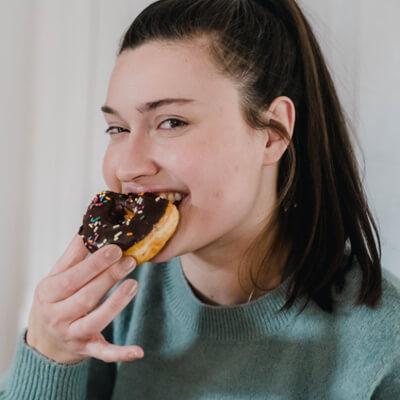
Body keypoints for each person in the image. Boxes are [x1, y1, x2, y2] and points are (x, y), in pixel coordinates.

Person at [1, 0, 399, 398]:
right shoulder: (103, 305)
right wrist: (47, 354)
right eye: (118, 128)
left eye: (171, 122)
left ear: (273, 132)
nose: (127, 166)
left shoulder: (383, 340)